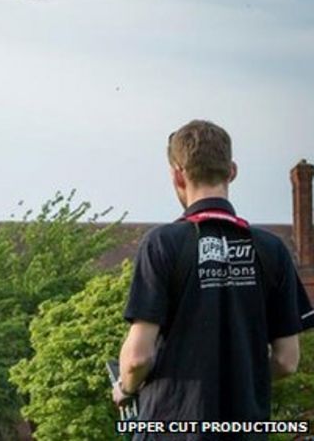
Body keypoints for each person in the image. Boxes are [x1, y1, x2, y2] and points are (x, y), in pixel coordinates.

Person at [114, 120, 304, 436]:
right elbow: (287, 361)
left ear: (177, 173)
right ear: (231, 171)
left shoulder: (163, 244)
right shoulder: (272, 249)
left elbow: (137, 358)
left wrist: (125, 387)